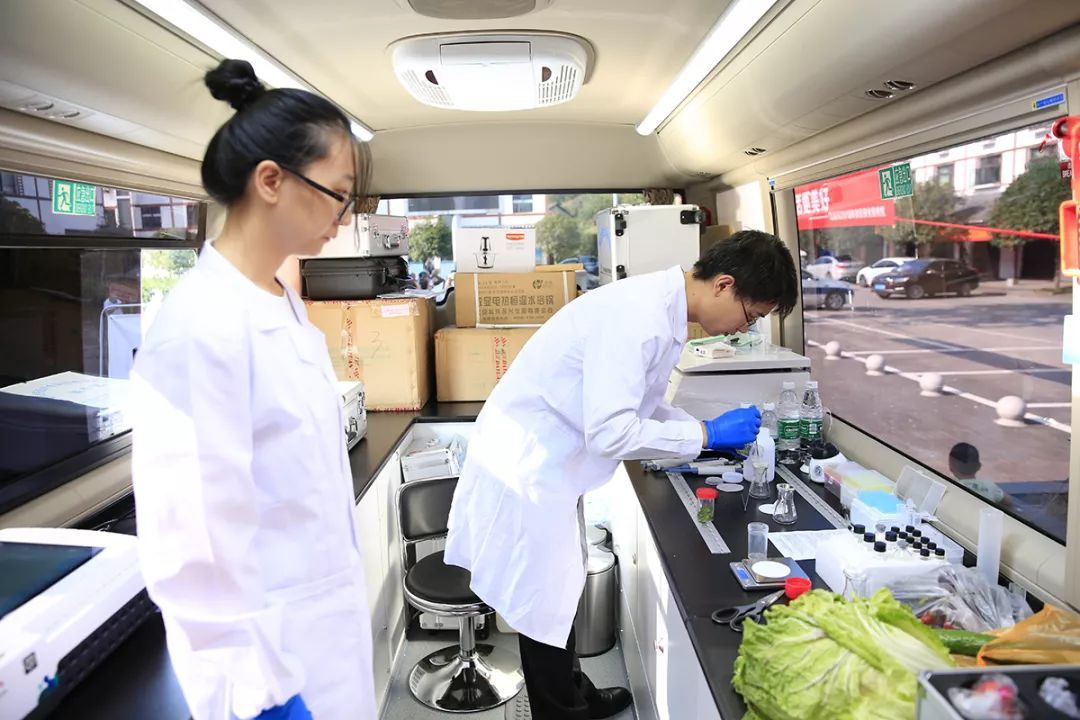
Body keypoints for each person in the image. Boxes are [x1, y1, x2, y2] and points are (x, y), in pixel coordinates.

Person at [444, 230, 798, 719]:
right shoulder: (641, 317)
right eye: (751, 315)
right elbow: (612, 433)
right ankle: (561, 711)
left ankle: (575, 695)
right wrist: (705, 434)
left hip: (549, 466)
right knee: (543, 604)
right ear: (724, 284)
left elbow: (645, 409)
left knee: (557, 596)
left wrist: (705, 433)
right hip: (527, 469)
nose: (744, 328)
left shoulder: (664, 311)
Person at [129, 59, 375, 720]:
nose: (343, 216)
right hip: (264, 672)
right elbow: (196, 549)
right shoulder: (199, 327)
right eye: (338, 193)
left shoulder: (277, 303)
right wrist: (260, 698)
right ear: (271, 180)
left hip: (322, 634)